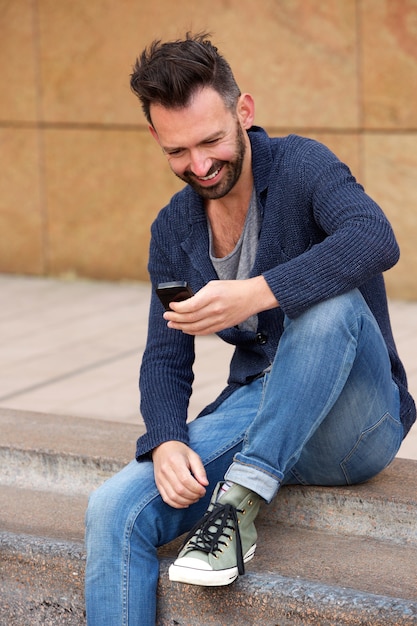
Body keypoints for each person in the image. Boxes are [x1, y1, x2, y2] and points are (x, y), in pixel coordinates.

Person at [85, 32, 416, 625]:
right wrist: (165, 439)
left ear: (244, 111)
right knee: (113, 509)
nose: (200, 165)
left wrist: (257, 294)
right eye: (178, 152)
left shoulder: (304, 167)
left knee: (330, 304)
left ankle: (237, 508)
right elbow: (166, 355)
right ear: (157, 139)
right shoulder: (174, 229)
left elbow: (375, 238)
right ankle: (244, 483)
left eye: (211, 140)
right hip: (257, 409)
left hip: (355, 417)